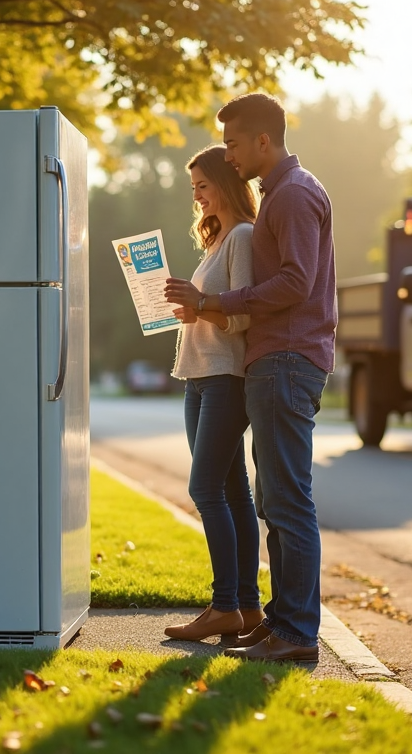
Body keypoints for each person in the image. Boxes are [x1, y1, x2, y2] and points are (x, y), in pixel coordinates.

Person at [164, 92, 336, 663]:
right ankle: (283, 622)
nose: (228, 154)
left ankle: (296, 633)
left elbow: (295, 283)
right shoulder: (280, 195)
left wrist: (214, 301)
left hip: (287, 357)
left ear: (265, 140)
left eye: (234, 143)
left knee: (287, 501)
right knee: (272, 500)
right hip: (272, 359)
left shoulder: (292, 194)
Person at [162, 145, 263, 646]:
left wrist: (199, 305)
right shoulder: (218, 239)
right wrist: (191, 309)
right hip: (201, 377)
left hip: (225, 378)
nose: (197, 195)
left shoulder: (242, 235)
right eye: (193, 188)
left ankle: (224, 606)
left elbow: (243, 316)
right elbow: (213, 312)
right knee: (231, 491)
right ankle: (247, 608)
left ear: (225, 182)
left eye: (203, 185)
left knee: (206, 490)